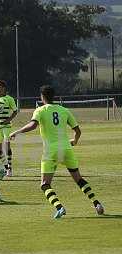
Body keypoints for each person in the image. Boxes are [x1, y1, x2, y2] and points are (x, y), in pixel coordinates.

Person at [10, 85, 105, 219]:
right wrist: (75, 141)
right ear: (53, 96)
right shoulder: (64, 110)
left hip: (51, 151)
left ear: (42, 97)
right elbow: (78, 131)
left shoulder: (40, 110)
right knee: (79, 179)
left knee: (45, 184)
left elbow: (33, 125)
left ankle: (60, 208)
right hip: (67, 149)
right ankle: (97, 204)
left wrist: (17, 132)